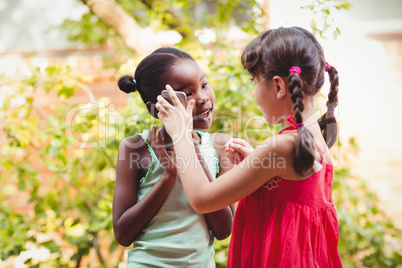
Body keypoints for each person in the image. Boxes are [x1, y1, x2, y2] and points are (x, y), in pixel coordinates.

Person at [156, 27, 342, 267]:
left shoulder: (281, 146)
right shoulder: (317, 140)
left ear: (278, 86)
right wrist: (257, 166)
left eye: (254, 81)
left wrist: (179, 132)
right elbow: (292, 192)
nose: (254, 91)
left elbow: (202, 199)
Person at [113, 47, 234, 267]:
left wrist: (191, 145)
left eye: (204, 85)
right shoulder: (136, 148)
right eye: (187, 94)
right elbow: (122, 234)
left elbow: (224, 230)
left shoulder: (220, 147)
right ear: (156, 109)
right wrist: (168, 176)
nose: (203, 98)